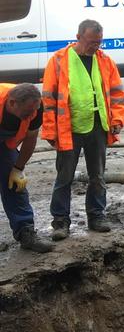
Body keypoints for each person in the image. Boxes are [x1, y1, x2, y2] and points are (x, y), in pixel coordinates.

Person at [42, 19, 124, 241]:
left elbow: (117, 94)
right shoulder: (59, 60)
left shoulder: (105, 61)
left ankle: (96, 216)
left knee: (97, 175)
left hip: (98, 126)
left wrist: (117, 119)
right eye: (91, 42)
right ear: (78, 37)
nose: (95, 46)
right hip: (69, 128)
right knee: (64, 177)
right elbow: (49, 99)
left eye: (99, 42)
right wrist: (50, 131)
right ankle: (60, 221)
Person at [0, 84, 55, 253]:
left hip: (4, 143)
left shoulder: (34, 108)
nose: (32, 115)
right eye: (27, 113)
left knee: (15, 185)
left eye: (34, 111)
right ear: (12, 103)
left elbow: (30, 138)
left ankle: (25, 232)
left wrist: (18, 168)